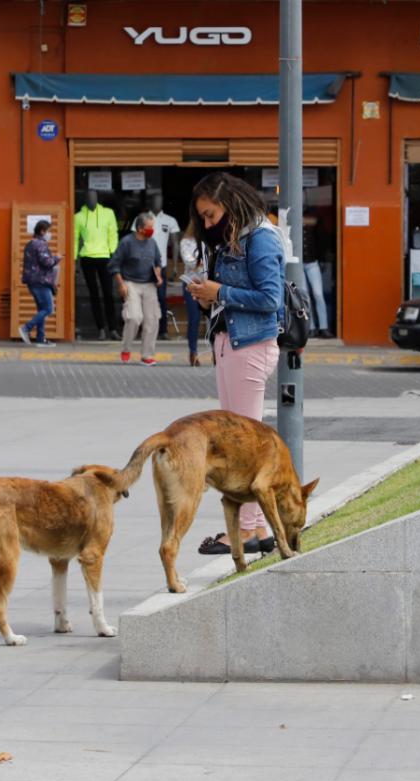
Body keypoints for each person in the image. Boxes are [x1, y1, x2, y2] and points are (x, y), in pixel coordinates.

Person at [185, 172, 285, 556]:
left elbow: (269, 298)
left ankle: (243, 530)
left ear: (231, 204)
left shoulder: (259, 237)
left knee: (242, 445)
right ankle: (257, 527)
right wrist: (207, 297)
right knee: (237, 439)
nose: (209, 225)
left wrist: (220, 291)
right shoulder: (234, 238)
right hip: (230, 341)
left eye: (211, 216)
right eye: (204, 219)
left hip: (250, 345)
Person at [109, 212, 163, 365]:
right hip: (130, 283)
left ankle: (147, 355)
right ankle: (126, 348)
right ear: (140, 228)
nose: (152, 230)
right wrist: (121, 284)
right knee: (133, 317)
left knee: (152, 319)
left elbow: (158, 263)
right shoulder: (127, 242)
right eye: (149, 227)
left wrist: (158, 276)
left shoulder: (152, 243)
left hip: (149, 284)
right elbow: (114, 265)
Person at [74, 189, 120, 340]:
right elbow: (75, 239)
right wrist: (75, 259)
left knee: (108, 294)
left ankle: (113, 328)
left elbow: (113, 233)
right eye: (88, 198)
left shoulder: (108, 213)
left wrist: (113, 253)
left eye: (93, 197)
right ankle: (101, 328)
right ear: (85, 199)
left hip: (105, 257)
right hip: (87, 257)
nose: (91, 200)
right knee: (93, 294)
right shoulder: (79, 217)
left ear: (97, 199)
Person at [18, 219, 60, 347]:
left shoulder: (30, 243)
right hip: (41, 281)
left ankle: (41, 338)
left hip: (33, 282)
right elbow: (47, 262)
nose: (50, 234)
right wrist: (57, 258)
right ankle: (26, 328)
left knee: (42, 309)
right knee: (48, 309)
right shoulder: (40, 244)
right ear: (42, 231)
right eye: (49, 231)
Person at [147, 192, 180, 339]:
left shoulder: (170, 220)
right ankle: (146, 331)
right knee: (145, 298)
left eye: (159, 200)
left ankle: (163, 330)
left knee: (161, 298)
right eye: (154, 200)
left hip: (162, 265)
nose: (157, 203)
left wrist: (174, 266)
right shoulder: (142, 219)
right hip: (144, 265)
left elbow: (175, 243)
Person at [301, 210, 332, 339]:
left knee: (318, 294)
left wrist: (323, 259)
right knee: (305, 296)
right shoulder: (289, 219)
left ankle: (323, 327)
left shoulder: (313, 219)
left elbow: (321, 240)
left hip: (313, 262)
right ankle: (311, 327)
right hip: (298, 264)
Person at [179, 225, 204, 367]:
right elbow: (189, 261)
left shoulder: (210, 240)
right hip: (191, 283)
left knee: (212, 319)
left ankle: (215, 352)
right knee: (194, 319)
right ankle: (193, 351)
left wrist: (201, 263)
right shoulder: (186, 242)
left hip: (208, 283)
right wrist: (202, 262)